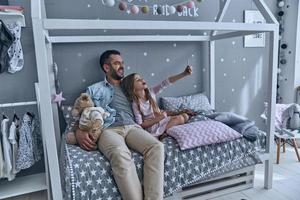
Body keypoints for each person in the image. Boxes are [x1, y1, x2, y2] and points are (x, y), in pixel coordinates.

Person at [75, 50, 164, 200]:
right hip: (108, 129)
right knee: (120, 153)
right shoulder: (94, 89)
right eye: (117, 63)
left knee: (156, 147)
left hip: (132, 126)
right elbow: (83, 111)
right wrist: (79, 131)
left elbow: (150, 94)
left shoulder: (129, 86)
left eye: (122, 63)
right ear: (106, 67)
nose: (122, 66)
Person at [121, 66, 194, 139]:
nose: (142, 79)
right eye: (138, 80)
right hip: (153, 126)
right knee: (180, 119)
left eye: (141, 78)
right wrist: (160, 117)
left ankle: (167, 131)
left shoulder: (151, 92)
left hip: (162, 120)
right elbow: (141, 124)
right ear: (132, 88)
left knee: (185, 116)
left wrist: (184, 74)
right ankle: (163, 133)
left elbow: (166, 82)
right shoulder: (136, 104)